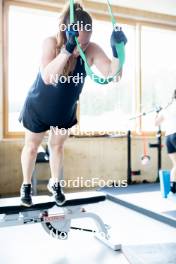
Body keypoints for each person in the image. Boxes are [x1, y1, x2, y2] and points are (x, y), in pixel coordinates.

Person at [19, 2, 127, 207]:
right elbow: (47, 76)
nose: (83, 48)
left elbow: (114, 75)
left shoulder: (91, 49)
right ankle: (25, 185)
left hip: (63, 109)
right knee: (32, 147)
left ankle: (56, 184)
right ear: (68, 33)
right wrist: (67, 51)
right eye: (79, 42)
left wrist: (118, 52)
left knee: (57, 147)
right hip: (39, 106)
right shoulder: (51, 42)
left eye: (86, 43)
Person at [155, 89, 176, 194]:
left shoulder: (166, 108)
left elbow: (156, 123)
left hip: (168, 137)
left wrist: (158, 112)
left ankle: (173, 187)